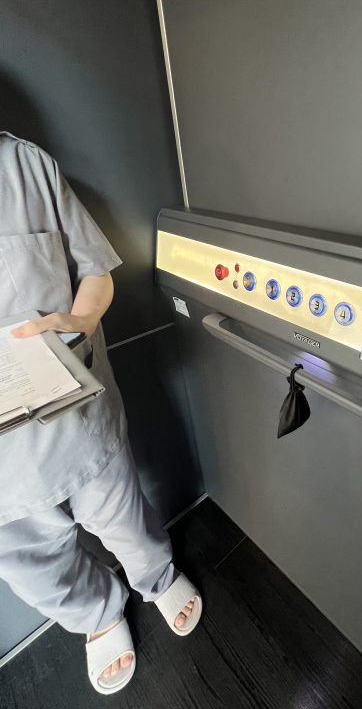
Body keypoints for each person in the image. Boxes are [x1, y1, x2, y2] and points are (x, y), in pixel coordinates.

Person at [0, 131, 201, 695]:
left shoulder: (23, 164)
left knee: (125, 518)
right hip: (3, 484)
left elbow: (96, 271)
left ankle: (156, 577)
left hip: (79, 422)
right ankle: (98, 616)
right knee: (35, 567)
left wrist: (83, 321)